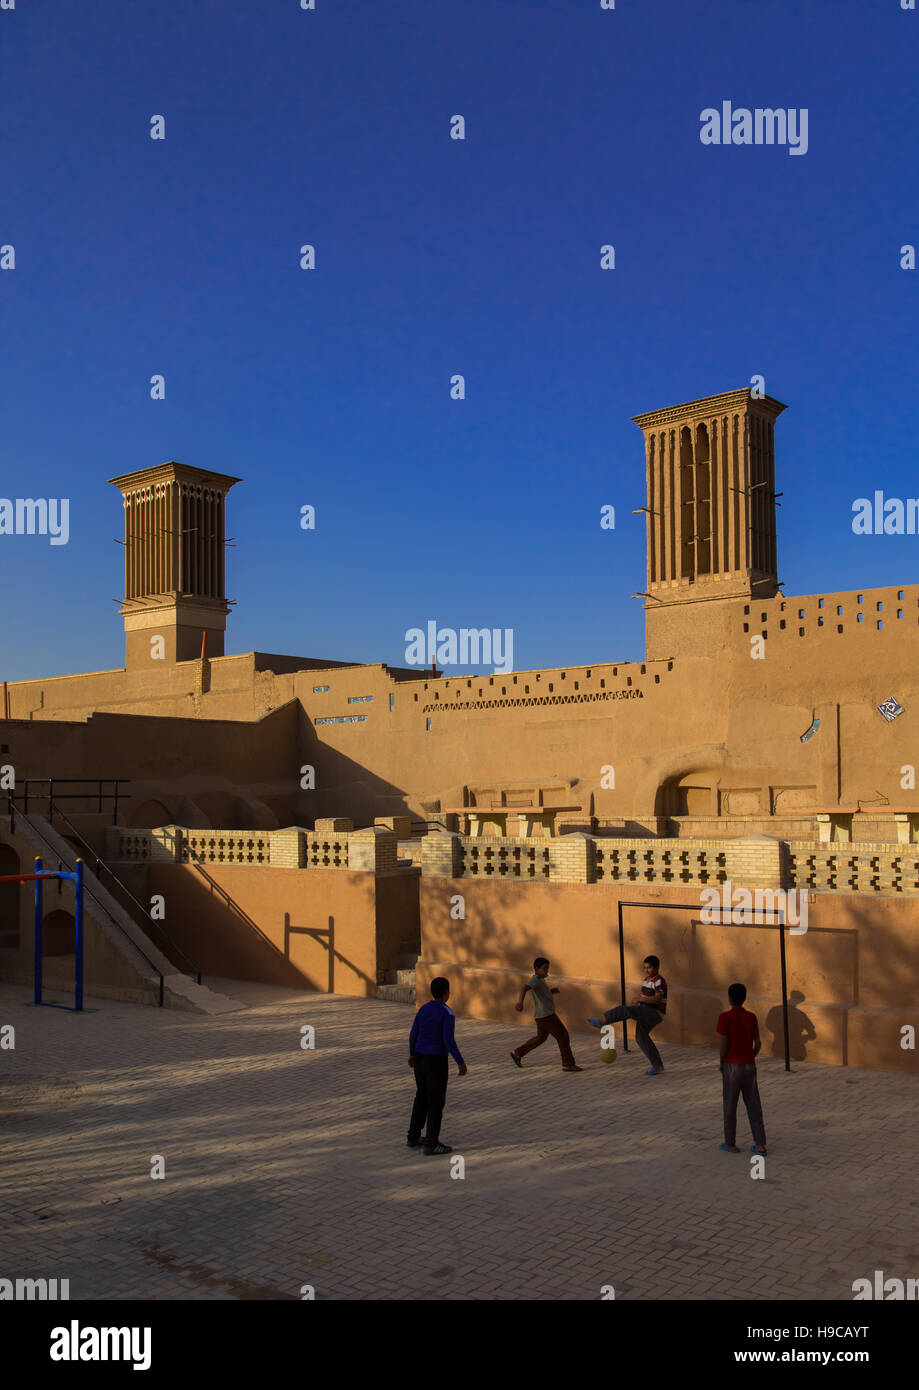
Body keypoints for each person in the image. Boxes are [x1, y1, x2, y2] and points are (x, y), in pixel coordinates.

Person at [406, 976, 467, 1155]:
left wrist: (411, 1053)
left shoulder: (423, 1009)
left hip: (419, 1058)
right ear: (447, 992)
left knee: (421, 1097)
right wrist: (460, 1062)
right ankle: (432, 1143)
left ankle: (413, 1136)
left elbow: (413, 1033)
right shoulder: (447, 1012)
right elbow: (448, 1039)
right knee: (435, 1101)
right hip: (436, 1061)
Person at [587, 954, 667, 1074]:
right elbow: (645, 999)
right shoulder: (646, 981)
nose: (646, 970)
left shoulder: (659, 981)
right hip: (645, 1011)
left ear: (656, 968)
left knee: (625, 1010)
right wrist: (639, 1004)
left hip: (654, 1012)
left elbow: (657, 999)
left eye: (649, 967)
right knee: (640, 1037)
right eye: (645, 968)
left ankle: (602, 1021)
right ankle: (657, 1066)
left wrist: (640, 1000)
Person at [717, 982, 767, 1155]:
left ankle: (730, 1143)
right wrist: (752, 1056)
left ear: (730, 999)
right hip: (748, 1065)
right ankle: (760, 1144)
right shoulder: (751, 1017)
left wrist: (722, 1060)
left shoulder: (725, 1017)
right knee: (753, 1105)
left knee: (730, 1105)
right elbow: (758, 1043)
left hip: (732, 1064)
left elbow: (724, 1042)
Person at [510, 957, 582, 1072]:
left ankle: (517, 1053)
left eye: (547, 968)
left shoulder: (540, 979)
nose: (546, 971)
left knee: (541, 1038)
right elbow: (524, 988)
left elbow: (541, 993)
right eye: (544, 969)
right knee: (563, 1036)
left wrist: (551, 991)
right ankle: (568, 1064)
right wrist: (520, 1003)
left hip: (541, 1016)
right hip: (547, 1015)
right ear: (536, 969)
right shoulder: (536, 980)